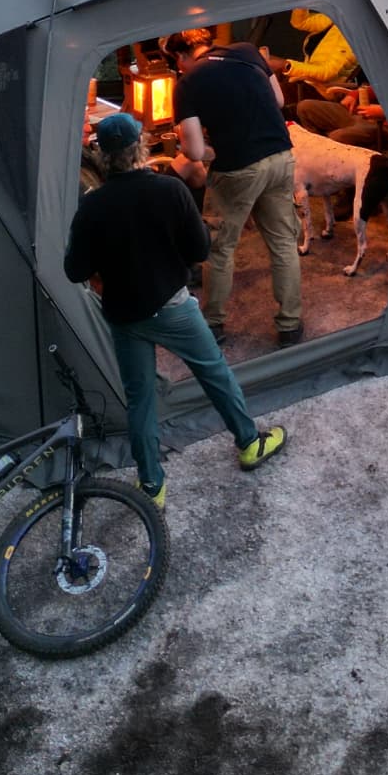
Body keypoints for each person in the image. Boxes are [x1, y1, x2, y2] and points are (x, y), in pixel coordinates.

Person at [64, 112, 287, 507]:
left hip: (125, 314)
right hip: (172, 306)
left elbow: (74, 270)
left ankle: (152, 486)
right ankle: (249, 443)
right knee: (214, 373)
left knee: (140, 400)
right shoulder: (170, 189)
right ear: (140, 147)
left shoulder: (92, 205)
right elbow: (200, 249)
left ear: (102, 156)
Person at [164, 27, 304, 347]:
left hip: (238, 168)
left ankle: (213, 324)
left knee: (220, 249)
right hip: (280, 156)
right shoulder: (247, 51)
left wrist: (208, 148)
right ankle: (290, 325)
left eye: (176, 63)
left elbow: (194, 152)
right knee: (283, 242)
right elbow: (278, 100)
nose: (179, 68)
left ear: (181, 55)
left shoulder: (187, 83)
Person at [262, 9, 359, 105]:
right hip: (305, 79)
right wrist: (301, 3)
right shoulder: (339, 19)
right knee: (260, 66)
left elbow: (327, 72)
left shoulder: (353, 37)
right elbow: (300, 22)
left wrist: (287, 65)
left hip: (320, 90)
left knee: (266, 90)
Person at [296, 84, 388, 150]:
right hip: (361, 113)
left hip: (386, 125)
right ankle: (318, 151)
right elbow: (383, 87)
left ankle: (327, 156)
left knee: (336, 137)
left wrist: (384, 112)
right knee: (305, 107)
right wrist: (354, 95)